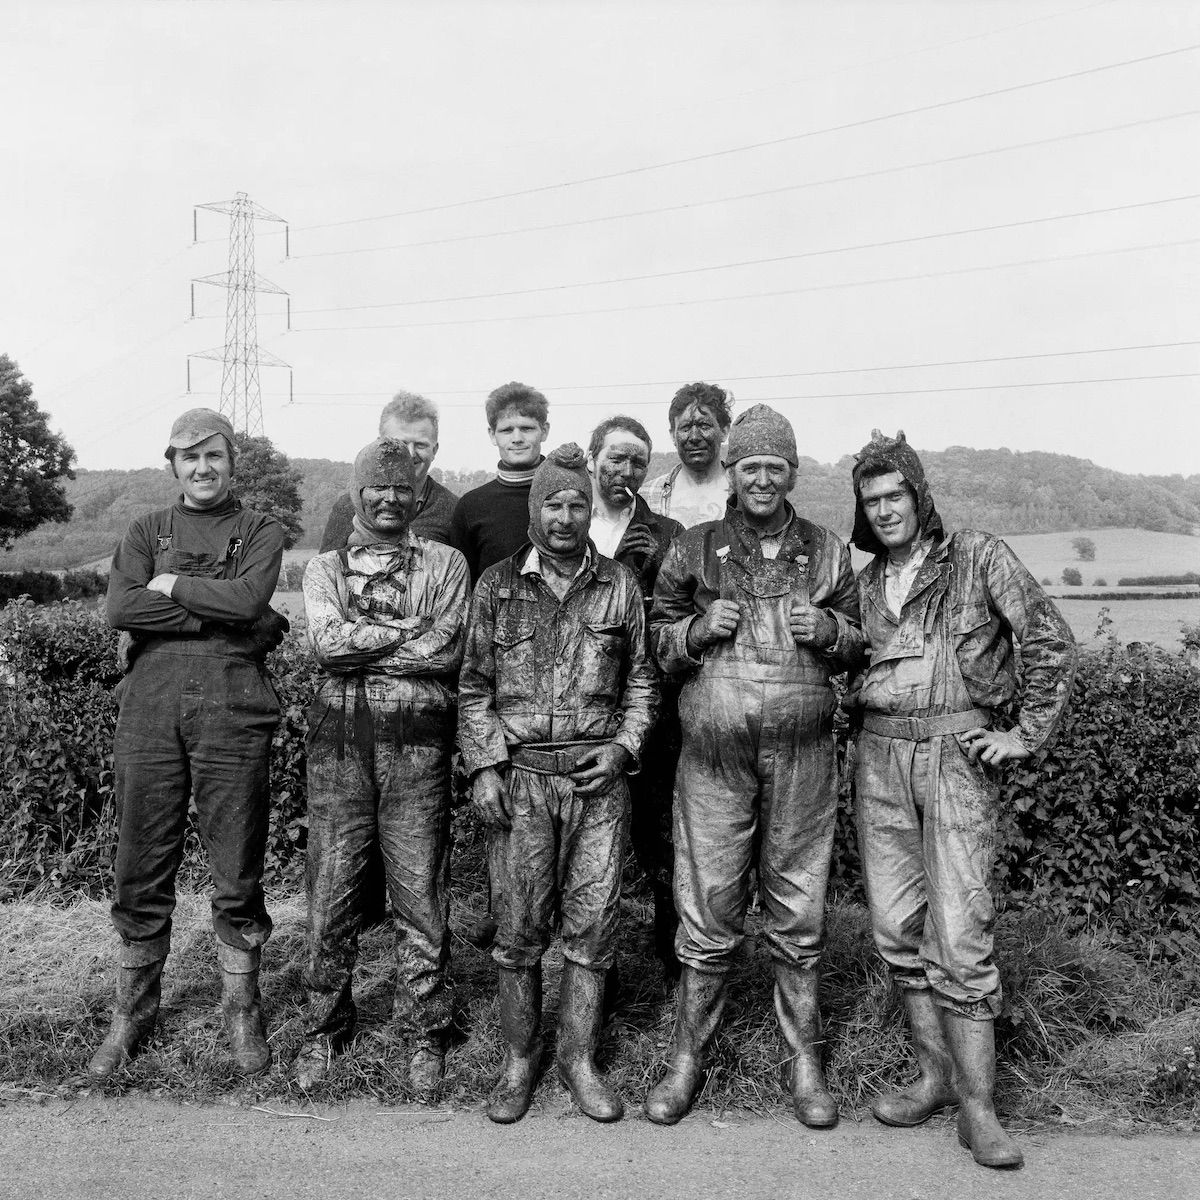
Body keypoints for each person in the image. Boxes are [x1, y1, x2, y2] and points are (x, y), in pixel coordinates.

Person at [847, 430, 1077, 1170]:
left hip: (957, 761)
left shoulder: (975, 555)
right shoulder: (865, 584)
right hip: (879, 760)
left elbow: (1047, 636)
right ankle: (936, 1078)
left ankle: (980, 1111)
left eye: (895, 496)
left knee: (961, 931)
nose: (884, 510)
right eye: (871, 500)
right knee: (896, 928)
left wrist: (1025, 733)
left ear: (920, 496)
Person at [646, 404, 863, 1129]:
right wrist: (693, 630)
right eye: (750, 467)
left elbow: (865, 641)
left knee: (799, 912)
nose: (762, 478)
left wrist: (831, 630)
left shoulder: (829, 551)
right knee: (706, 909)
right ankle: (687, 1060)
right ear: (732, 474)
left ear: (793, 472)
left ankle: (804, 1064)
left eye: (775, 466)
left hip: (802, 757)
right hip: (712, 756)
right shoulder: (695, 547)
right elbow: (652, 643)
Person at [458, 444, 658, 1125]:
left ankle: (578, 1060)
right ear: (534, 509)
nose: (566, 516)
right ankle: (520, 1061)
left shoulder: (619, 585)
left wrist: (625, 749)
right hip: (521, 784)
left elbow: (642, 684)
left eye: (577, 503)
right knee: (518, 930)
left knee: (594, 925)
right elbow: (474, 686)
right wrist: (486, 765)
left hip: (597, 785)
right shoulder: (495, 586)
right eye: (553, 503)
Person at [92, 408, 287, 1081]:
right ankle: (133, 1015)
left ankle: (241, 1009)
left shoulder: (261, 529)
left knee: (238, 864)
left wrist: (171, 585)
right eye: (189, 457)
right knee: (140, 861)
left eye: (215, 457)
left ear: (233, 463)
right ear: (171, 465)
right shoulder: (147, 529)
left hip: (235, 709)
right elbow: (122, 609)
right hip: (150, 710)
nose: (202, 469)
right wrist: (223, 603)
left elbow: (255, 596)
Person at [295, 438, 469, 1097]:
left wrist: (364, 644)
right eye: (377, 487)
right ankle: (325, 1028)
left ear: (419, 494)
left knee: (421, 895)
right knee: (331, 895)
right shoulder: (325, 568)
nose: (391, 498)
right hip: (339, 748)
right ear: (356, 492)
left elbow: (447, 647)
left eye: (403, 487)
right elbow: (326, 642)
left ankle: (424, 1032)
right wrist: (405, 632)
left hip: (419, 746)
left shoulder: (448, 563)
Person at [587, 414, 684, 975]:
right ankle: (600, 968)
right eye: (617, 458)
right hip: (584, 705)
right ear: (596, 458)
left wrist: (643, 580)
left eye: (638, 462)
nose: (626, 471)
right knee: (595, 850)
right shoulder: (568, 522)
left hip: (652, 709)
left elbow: (670, 627)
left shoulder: (667, 534)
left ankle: (672, 961)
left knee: (661, 837)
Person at [320, 391, 457, 552]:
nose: (410, 454)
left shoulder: (454, 510)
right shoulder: (347, 506)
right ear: (380, 445)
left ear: (435, 450)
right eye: (400, 443)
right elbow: (326, 568)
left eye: (421, 445)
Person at [449, 381, 551, 584]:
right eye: (506, 430)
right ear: (492, 435)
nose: (517, 438)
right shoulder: (471, 506)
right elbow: (463, 586)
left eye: (527, 428)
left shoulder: (570, 495)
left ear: (544, 431)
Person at [641, 381, 733, 528]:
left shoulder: (744, 492)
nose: (694, 437)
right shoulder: (646, 496)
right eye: (685, 428)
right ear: (673, 436)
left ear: (724, 431)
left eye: (704, 426)